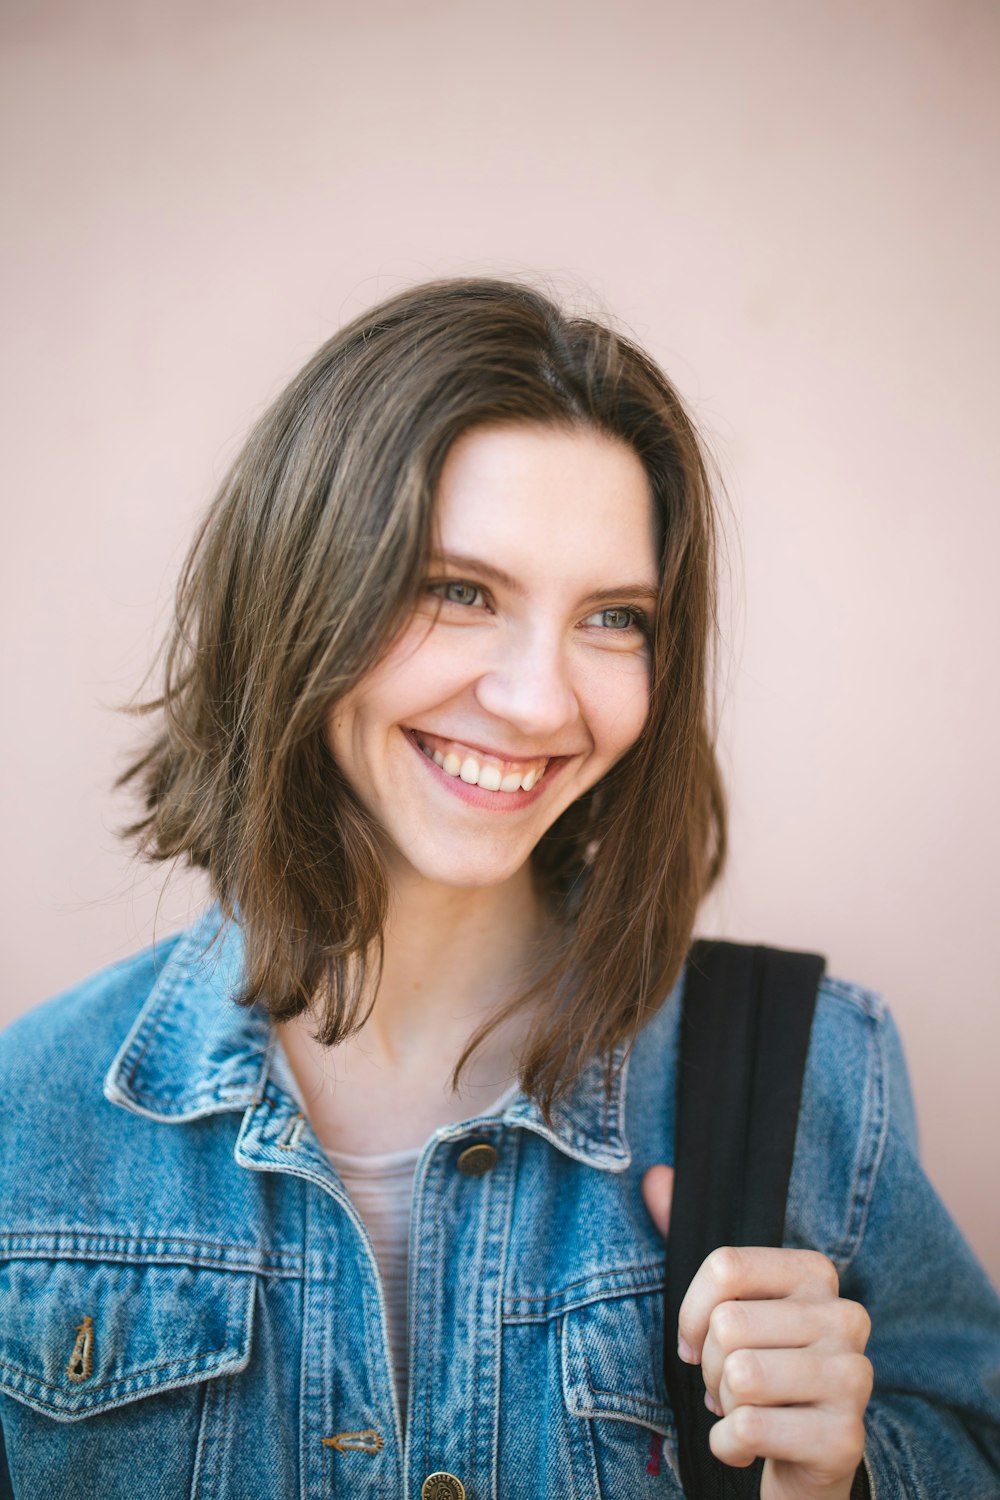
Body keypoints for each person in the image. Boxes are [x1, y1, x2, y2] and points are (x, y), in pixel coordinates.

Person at [1, 277, 998, 1500]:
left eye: (614, 618)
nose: (539, 701)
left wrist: (851, 1478)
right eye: (458, 590)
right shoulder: (28, 1127)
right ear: (299, 591)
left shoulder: (813, 1076)